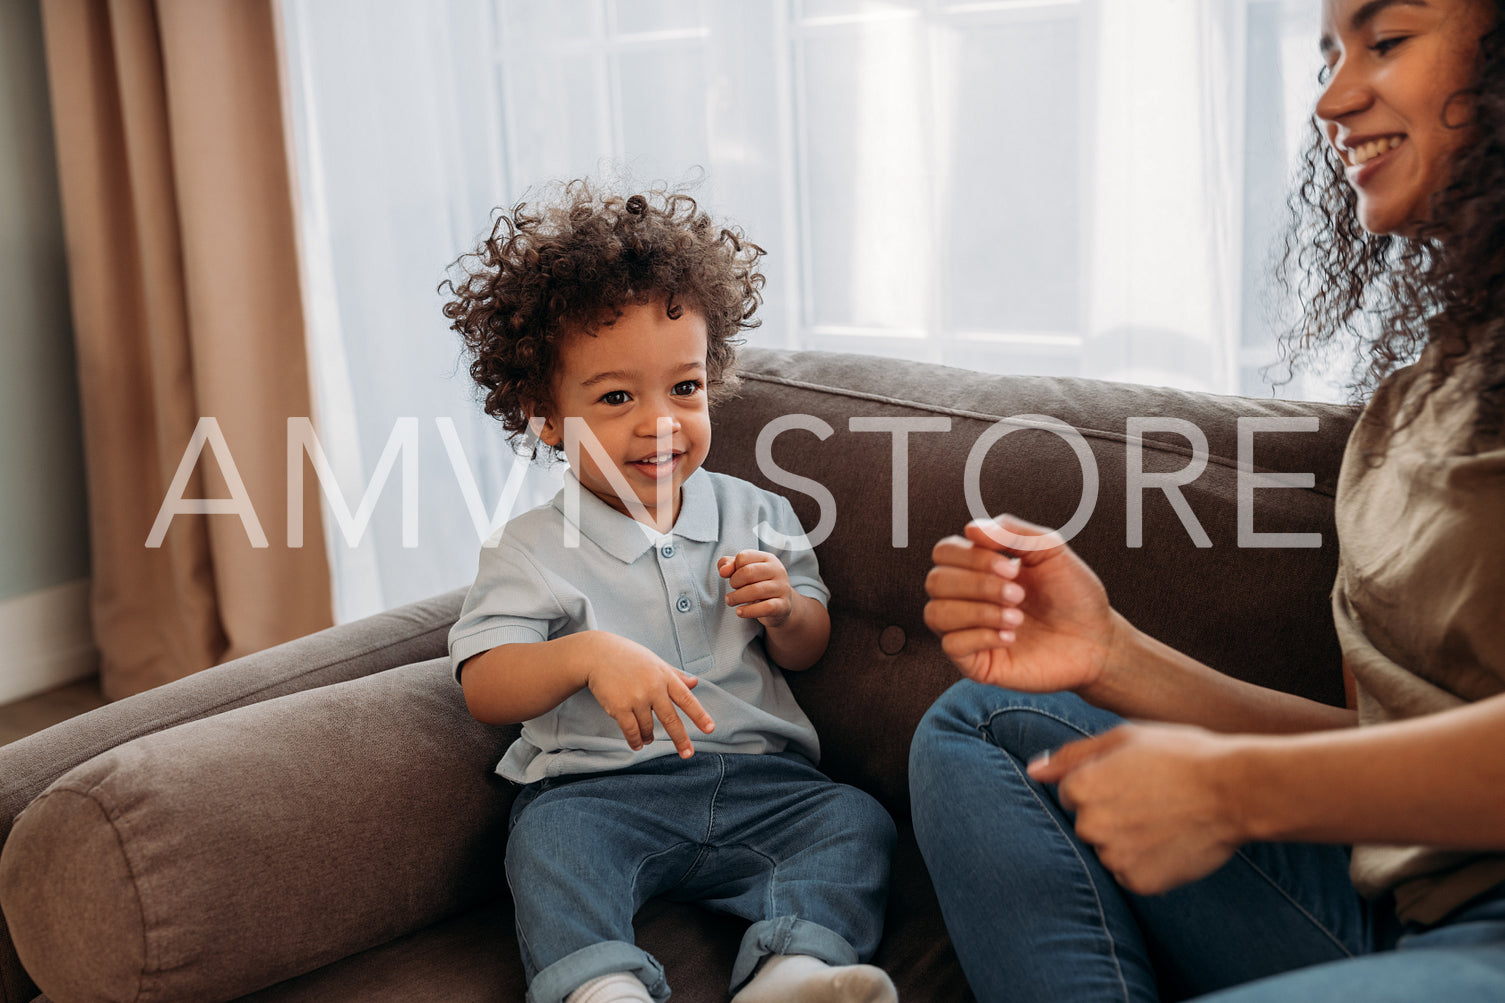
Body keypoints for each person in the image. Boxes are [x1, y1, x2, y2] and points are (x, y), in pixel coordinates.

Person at [910, 0, 1505, 1000]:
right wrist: (1113, 654)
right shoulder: (1411, 404)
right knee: (987, 718)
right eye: (1327, 54)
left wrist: (1230, 790)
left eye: (1384, 41)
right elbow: (1377, 755)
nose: (1330, 96)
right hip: (1403, 906)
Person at [441, 181, 898, 1003]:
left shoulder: (759, 511)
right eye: (617, 398)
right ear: (545, 415)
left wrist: (787, 610)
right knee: (546, 843)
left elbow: (809, 643)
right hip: (600, 791)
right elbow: (484, 682)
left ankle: (791, 970)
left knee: (855, 822)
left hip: (763, 782)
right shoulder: (529, 548)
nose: (660, 422)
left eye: (682, 389)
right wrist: (584, 655)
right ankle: (602, 986)